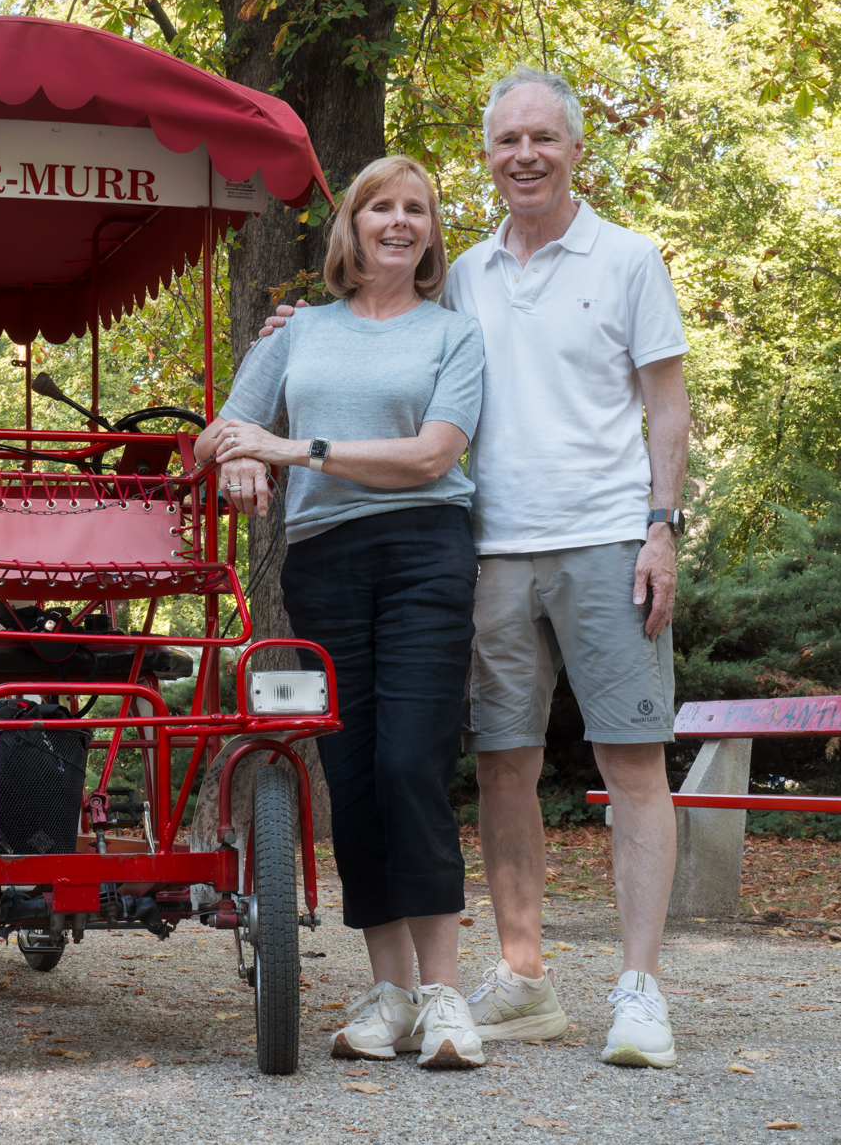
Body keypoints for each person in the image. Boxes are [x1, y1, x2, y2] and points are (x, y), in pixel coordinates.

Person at [252, 66, 691, 1069]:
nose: (525, 155)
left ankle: (640, 987)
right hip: (488, 546)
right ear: (489, 158)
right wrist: (292, 335)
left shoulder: (626, 259)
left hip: (608, 536)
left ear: (576, 149)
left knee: (631, 759)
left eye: (543, 138)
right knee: (501, 765)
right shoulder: (468, 278)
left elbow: (666, 404)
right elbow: (376, 330)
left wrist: (662, 524)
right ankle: (525, 979)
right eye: (507, 141)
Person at [194, 155, 487, 1070]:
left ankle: (444, 997)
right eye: (380, 208)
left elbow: (436, 454)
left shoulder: (455, 336)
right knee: (351, 771)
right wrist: (239, 458)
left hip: (426, 553)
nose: (399, 223)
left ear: (431, 232)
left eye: (417, 210)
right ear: (352, 229)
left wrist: (291, 447)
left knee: (411, 761)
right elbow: (219, 433)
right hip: (325, 563)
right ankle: (389, 992)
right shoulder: (298, 331)